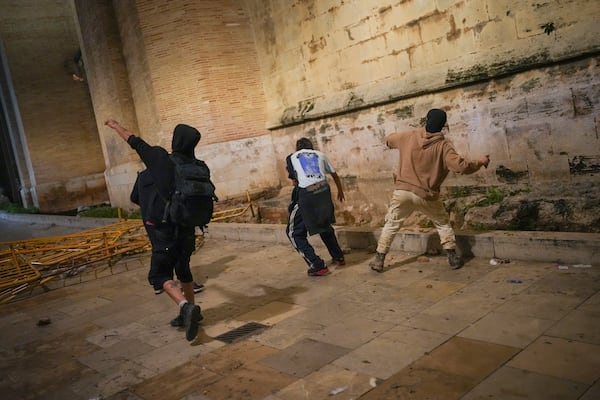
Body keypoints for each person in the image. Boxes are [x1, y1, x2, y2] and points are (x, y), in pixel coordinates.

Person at [105, 119, 203, 342]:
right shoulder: (195, 165)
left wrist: (115, 125)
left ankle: (185, 307)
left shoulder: (159, 160)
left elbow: (134, 141)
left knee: (159, 275)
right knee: (184, 268)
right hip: (188, 227)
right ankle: (190, 313)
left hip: (164, 230)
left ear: (175, 141)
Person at [369, 108, 490, 272]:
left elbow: (389, 140)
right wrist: (481, 162)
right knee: (442, 223)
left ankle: (379, 259)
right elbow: (461, 167)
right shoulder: (443, 146)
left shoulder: (409, 136)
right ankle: (452, 257)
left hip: (403, 191)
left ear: (426, 120)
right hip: (426, 194)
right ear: (443, 125)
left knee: (391, 224)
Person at [286, 137, 346, 276]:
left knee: (293, 233)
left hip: (307, 194)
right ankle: (338, 257)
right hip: (324, 191)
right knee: (323, 224)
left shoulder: (292, 157)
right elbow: (334, 174)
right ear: (311, 147)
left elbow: (294, 180)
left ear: (297, 148)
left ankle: (317, 265)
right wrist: (340, 191)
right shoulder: (320, 154)